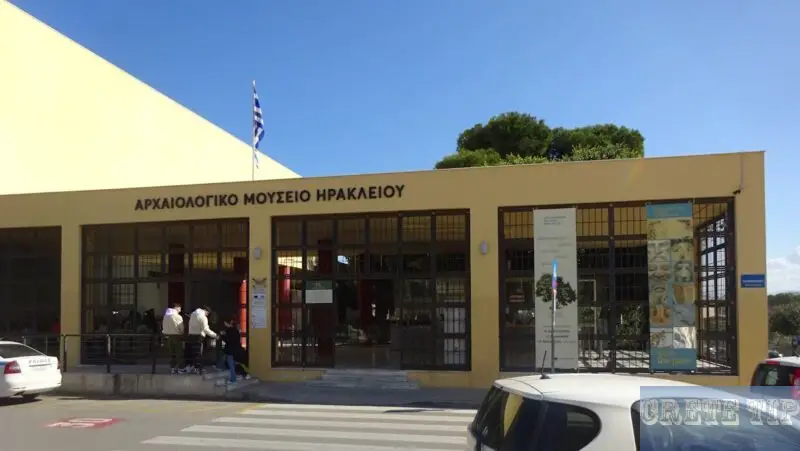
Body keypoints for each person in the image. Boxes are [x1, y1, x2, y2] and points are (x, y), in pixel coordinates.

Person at [186, 305, 217, 374]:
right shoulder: (203, 317)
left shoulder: (193, 314)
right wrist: (215, 335)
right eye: (208, 313)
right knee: (198, 353)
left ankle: (194, 367)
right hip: (199, 336)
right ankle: (198, 368)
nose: (207, 315)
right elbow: (206, 329)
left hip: (191, 335)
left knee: (193, 353)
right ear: (206, 311)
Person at [219, 317, 249, 383]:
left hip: (230, 350)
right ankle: (244, 373)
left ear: (227, 323)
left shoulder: (229, 330)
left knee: (231, 365)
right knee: (233, 363)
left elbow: (228, 340)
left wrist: (222, 336)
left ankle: (233, 379)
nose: (224, 324)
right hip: (235, 350)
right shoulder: (235, 330)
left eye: (225, 323)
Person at [161, 303, 185, 374]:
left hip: (168, 336)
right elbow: (181, 328)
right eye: (180, 308)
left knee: (172, 353)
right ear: (176, 308)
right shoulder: (178, 317)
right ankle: (181, 368)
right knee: (179, 352)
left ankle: (173, 368)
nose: (180, 310)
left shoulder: (166, 316)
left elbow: (163, 326)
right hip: (176, 336)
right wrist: (182, 332)